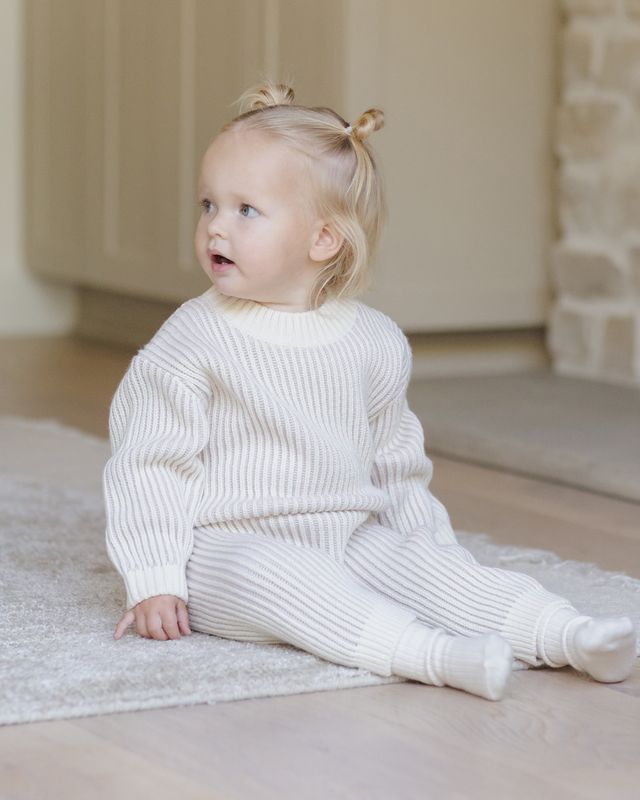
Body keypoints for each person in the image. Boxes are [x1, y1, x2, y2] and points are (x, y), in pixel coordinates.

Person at [103, 81, 637, 701]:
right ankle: (430, 655)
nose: (216, 228)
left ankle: (568, 634)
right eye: (208, 205)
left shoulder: (374, 341)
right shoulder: (193, 338)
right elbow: (148, 462)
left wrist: (430, 556)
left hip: (347, 534)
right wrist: (154, 577)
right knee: (282, 580)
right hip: (226, 551)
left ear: (323, 240)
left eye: (245, 210)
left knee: (426, 569)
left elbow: (396, 464)